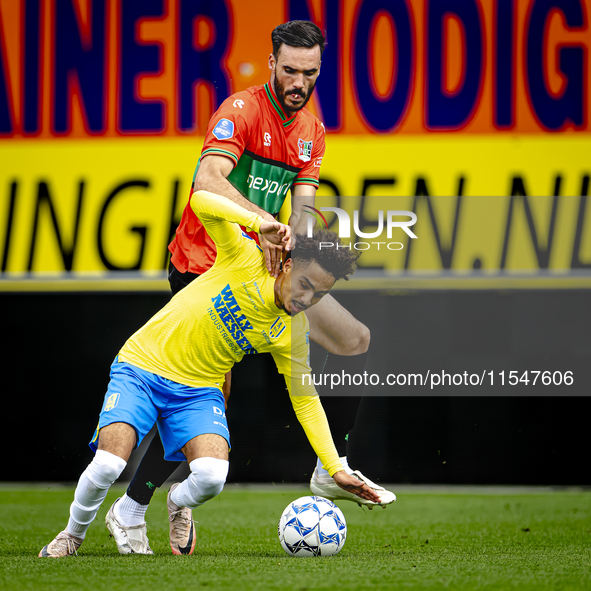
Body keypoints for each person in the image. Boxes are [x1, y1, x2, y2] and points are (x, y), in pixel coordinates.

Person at [108, 19, 395, 555]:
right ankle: (135, 507)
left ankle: (332, 468)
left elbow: (304, 215)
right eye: (289, 70)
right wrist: (264, 222)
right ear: (271, 65)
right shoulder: (239, 111)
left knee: (355, 339)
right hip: (205, 260)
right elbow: (207, 182)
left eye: (309, 73)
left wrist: (306, 248)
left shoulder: (312, 130)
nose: (298, 81)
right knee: (206, 394)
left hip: (271, 269)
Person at [39, 189, 380, 558]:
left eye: (318, 295)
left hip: (198, 392)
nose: (306, 300)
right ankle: (72, 536)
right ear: (286, 265)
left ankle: (172, 500)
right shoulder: (244, 257)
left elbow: (305, 400)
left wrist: (335, 468)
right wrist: (257, 223)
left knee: (212, 478)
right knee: (108, 464)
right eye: (305, 285)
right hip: (143, 367)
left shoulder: (292, 332)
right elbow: (201, 199)